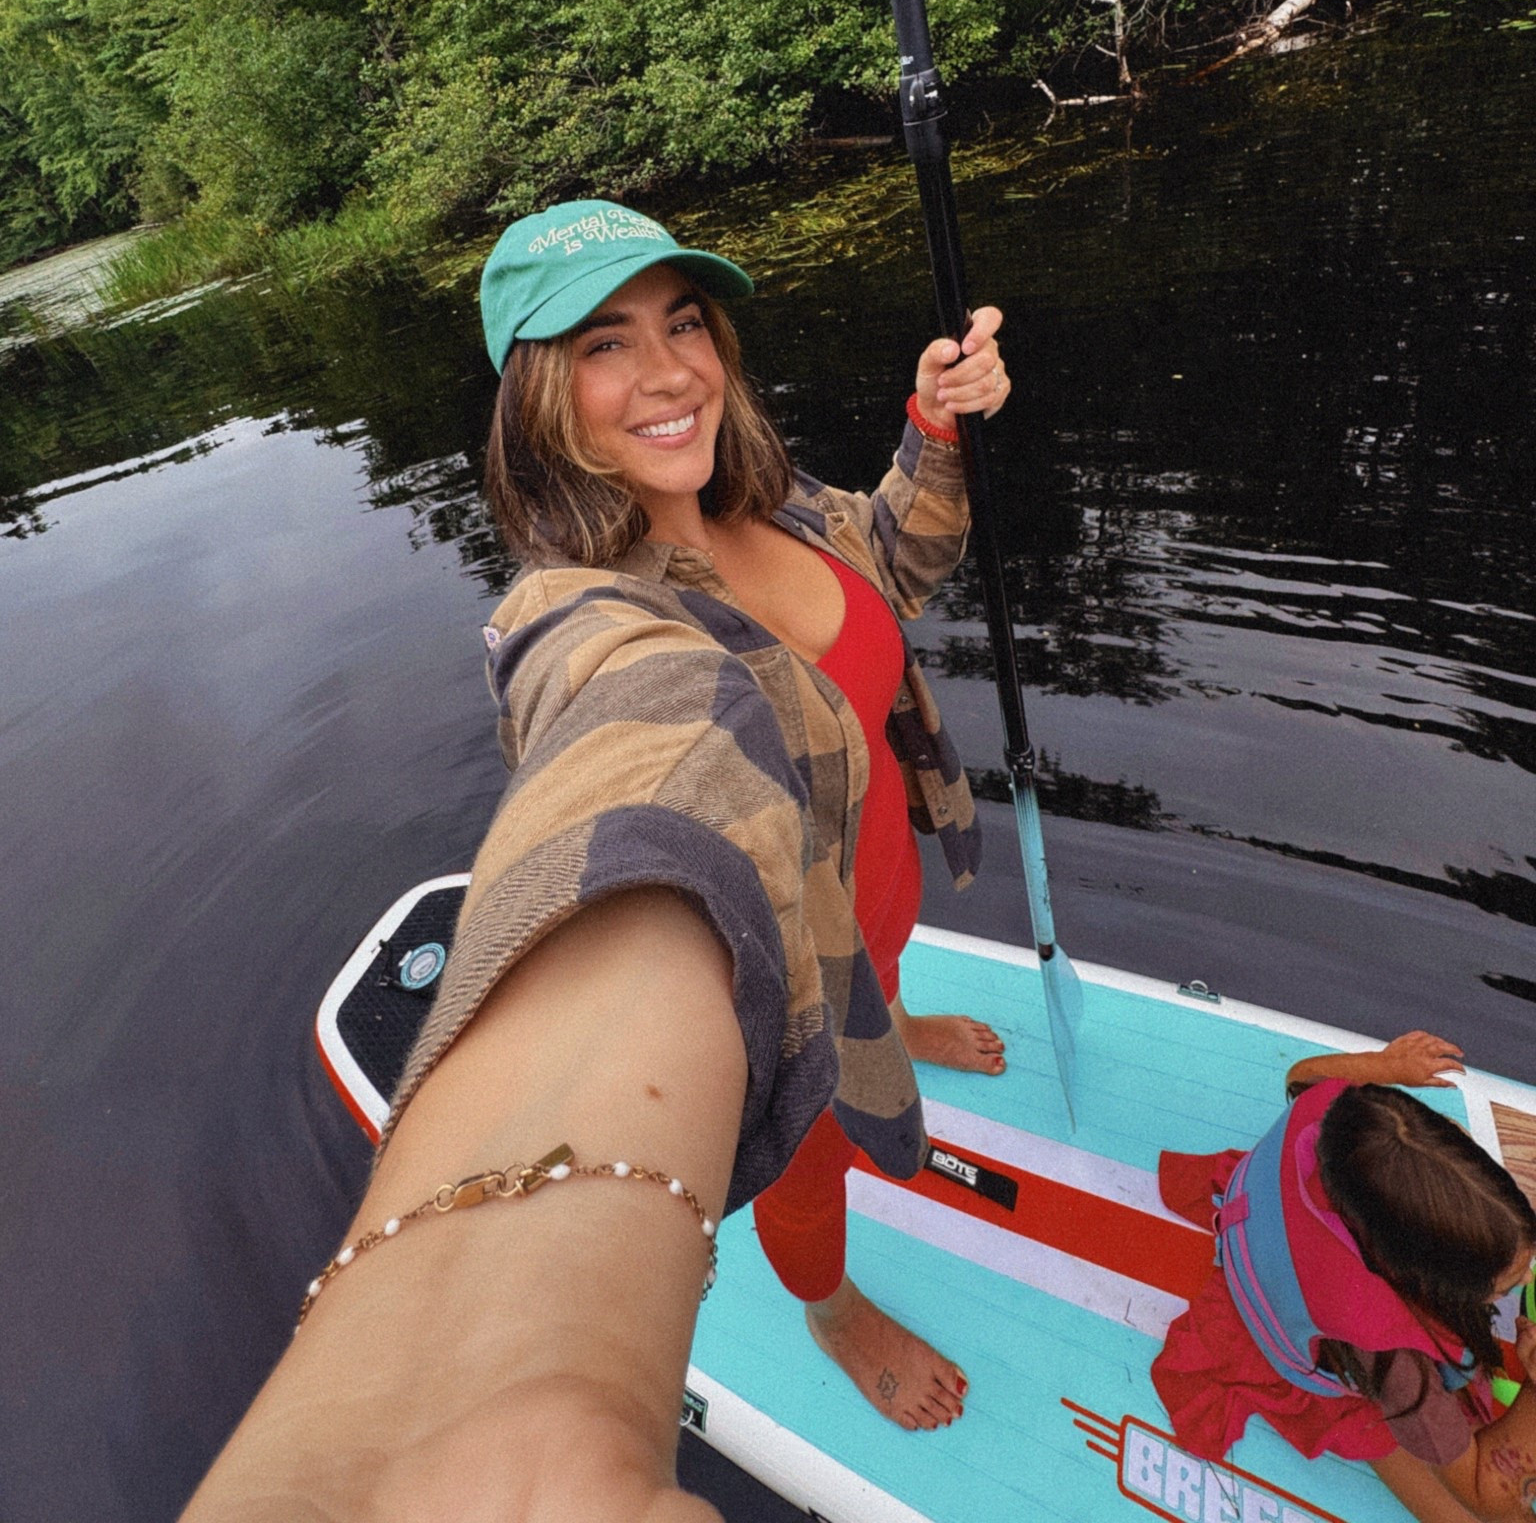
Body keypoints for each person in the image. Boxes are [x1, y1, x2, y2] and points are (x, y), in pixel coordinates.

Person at [181, 198, 1012, 1523]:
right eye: (604, 344)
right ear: (538, 400)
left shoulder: (778, 503)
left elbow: (901, 564)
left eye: (684, 323)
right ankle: (833, 1310)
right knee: (813, 1167)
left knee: (888, 960)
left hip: (880, 897)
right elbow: (632, 762)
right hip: (796, 968)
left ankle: (896, 1014)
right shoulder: (583, 621)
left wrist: (933, 426)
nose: (671, 369)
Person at [1152, 1030, 1536, 1523]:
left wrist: (1386, 1066)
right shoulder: (1399, 1366)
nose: (1525, 1280)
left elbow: (1301, 1078)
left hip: (1260, 1225)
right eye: (1502, 1283)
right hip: (1317, 1352)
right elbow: (1485, 1495)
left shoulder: (1342, 1128)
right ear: (1423, 1280)